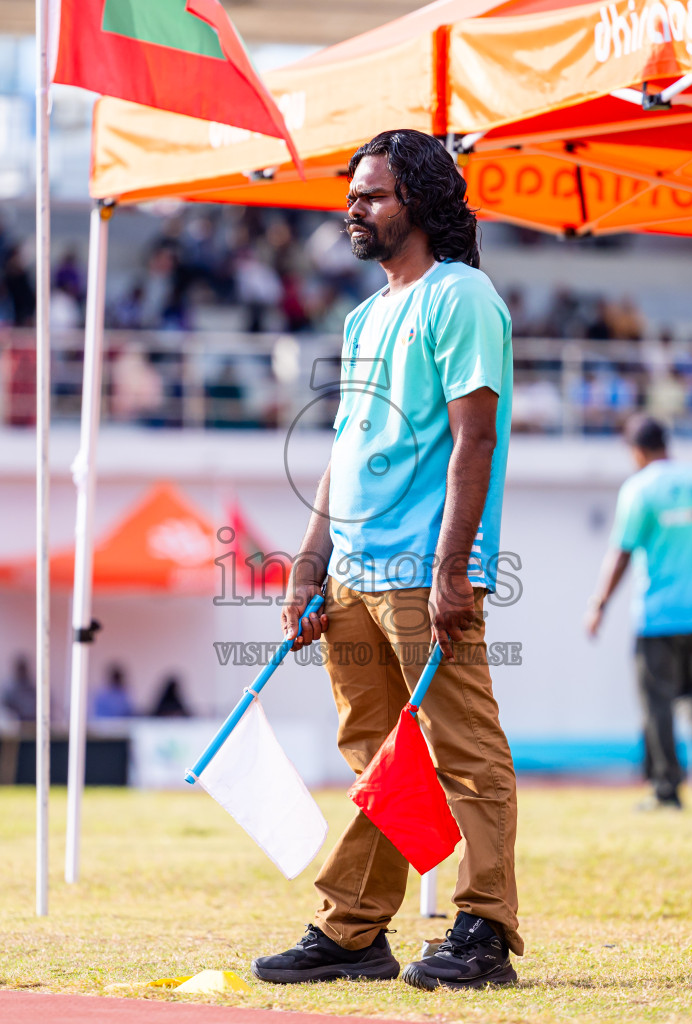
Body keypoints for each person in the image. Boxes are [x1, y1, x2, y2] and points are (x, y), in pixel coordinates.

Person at [256, 129, 520, 991]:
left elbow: (473, 435)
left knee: (463, 749)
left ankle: (482, 928)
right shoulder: (366, 314)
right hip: (350, 577)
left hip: (421, 574)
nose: (353, 209)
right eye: (353, 194)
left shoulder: (462, 296)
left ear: (418, 201)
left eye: (371, 195)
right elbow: (344, 445)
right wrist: (308, 563)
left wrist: (454, 569)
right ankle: (356, 931)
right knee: (379, 759)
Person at [585, 415, 692, 811]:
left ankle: (667, 789)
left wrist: (599, 604)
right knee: (690, 689)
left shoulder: (640, 489)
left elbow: (621, 551)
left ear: (636, 450)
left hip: (659, 615)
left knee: (657, 700)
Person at [1, 655, 36, 723]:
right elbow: (5, 705)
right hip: (16, 724)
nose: (21, 672)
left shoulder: (32, 689)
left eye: (23, 670)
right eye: (20, 670)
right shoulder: (10, 690)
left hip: (32, 724)